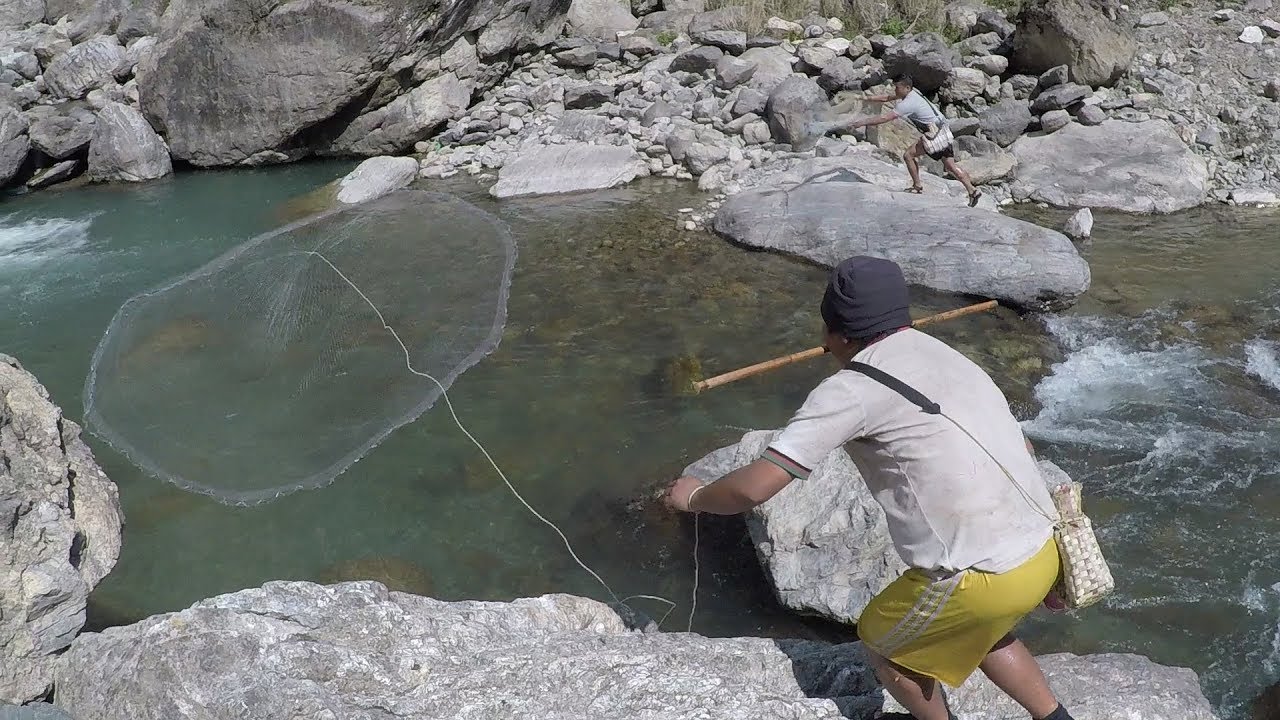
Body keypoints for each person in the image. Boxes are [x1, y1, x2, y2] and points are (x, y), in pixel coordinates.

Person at [665, 256, 1073, 720]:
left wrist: (694, 497)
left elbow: (756, 488)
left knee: (884, 643)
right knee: (971, 630)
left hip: (985, 580)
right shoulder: (944, 353)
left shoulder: (849, 390)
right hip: (1042, 552)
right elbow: (1023, 444)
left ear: (833, 333)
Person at [843, 76, 983, 207]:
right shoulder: (913, 93)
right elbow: (887, 97)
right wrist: (863, 98)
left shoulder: (908, 103)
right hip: (944, 130)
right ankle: (972, 190)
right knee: (950, 166)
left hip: (934, 134)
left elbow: (885, 118)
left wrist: (861, 122)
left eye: (897, 87)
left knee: (908, 155)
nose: (895, 90)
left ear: (907, 88)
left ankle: (917, 186)